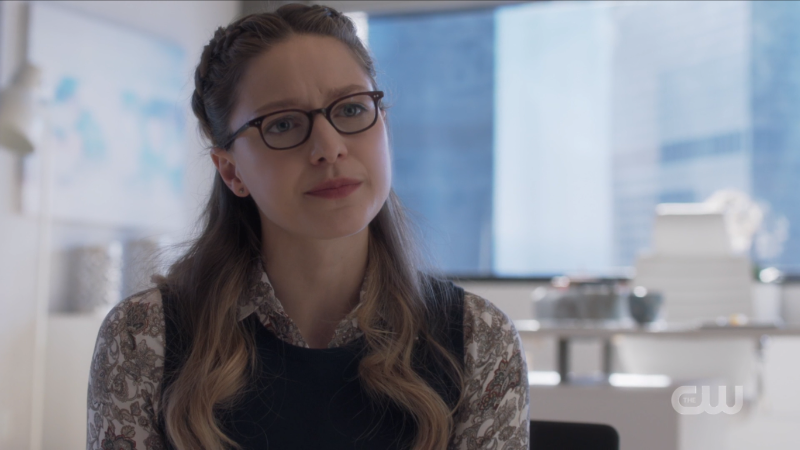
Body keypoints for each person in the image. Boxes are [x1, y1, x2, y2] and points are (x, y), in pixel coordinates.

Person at [86, 4, 529, 449]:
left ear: (384, 126)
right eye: (282, 123)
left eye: (352, 109)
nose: (329, 148)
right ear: (231, 171)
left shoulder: (478, 338)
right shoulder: (143, 336)